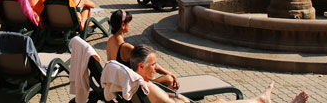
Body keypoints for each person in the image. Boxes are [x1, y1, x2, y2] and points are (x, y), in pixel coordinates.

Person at [129, 45, 309, 103]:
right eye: (153, 65)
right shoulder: (148, 86)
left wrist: (175, 94)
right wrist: (182, 98)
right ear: (141, 66)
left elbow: (162, 98)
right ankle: (261, 99)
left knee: (221, 102)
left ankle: (261, 99)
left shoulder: (135, 83)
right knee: (220, 102)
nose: (156, 68)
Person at [106, 11, 180, 89]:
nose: (130, 25)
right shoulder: (126, 48)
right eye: (129, 23)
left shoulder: (110, 40)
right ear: (123, 25)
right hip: (127, 87)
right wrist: (170, 74)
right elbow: (151, 64)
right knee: (169, 79)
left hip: (115, 81)